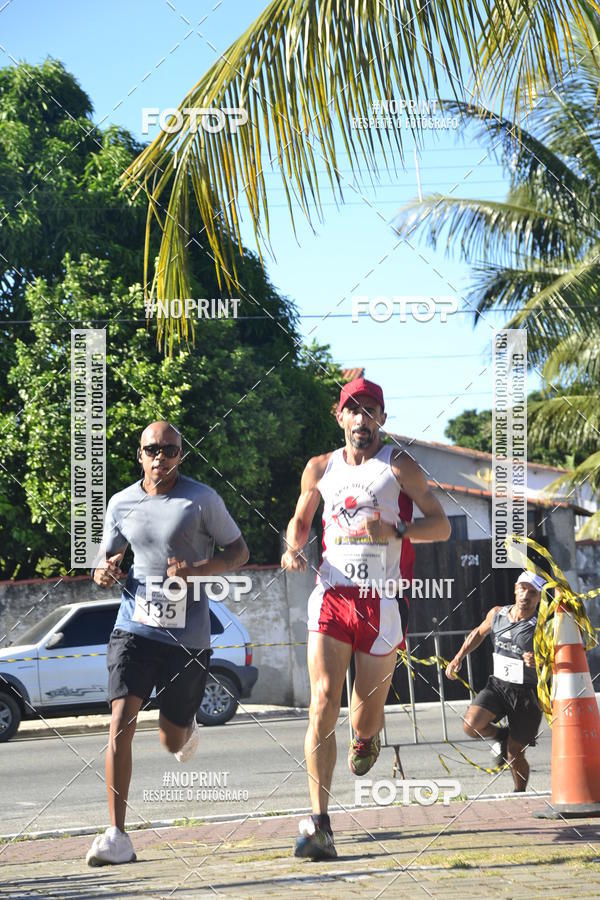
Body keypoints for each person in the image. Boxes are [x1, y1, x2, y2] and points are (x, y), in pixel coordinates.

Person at [281, 377, 450, 859]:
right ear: (340, 418)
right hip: (332, 594)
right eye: (353, 410)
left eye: (371, 410)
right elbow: (301, 518)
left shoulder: (399, 466)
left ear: (382, 418)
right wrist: (294, 545)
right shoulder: (320, 467)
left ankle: (366, 737)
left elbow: (439, 525)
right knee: (321, 702)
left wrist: (396, 527)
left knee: (364, 717)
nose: (362, 419)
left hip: (383, 601)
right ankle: (320, 825)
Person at [86, 420, 248, 866]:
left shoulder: (202, 499)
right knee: (121, 719)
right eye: (152, 449)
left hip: (187, 638)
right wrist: (105, 573)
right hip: (133, 627)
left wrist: (196, 571)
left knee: (171, 740)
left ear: (181, 454)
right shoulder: (121, 503)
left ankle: (185, 726)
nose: (161, 457)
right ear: (139, 454)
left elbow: (239, 553)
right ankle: (117, 834)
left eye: (170, 449)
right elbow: (106, 562)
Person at [445, 570, 546, 792]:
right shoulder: (498, 614)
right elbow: (478, 633)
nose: (525, 596)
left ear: (539, 597)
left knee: (515, 753)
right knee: (471, 725)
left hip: (527, 693)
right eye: (522, 589)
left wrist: (539, 661)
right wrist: (458, 657)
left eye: (532, 592)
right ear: (515, 589)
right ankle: (501, 735)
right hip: (498, 685)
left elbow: (557, 658)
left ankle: (519, 792)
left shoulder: (542, 625)